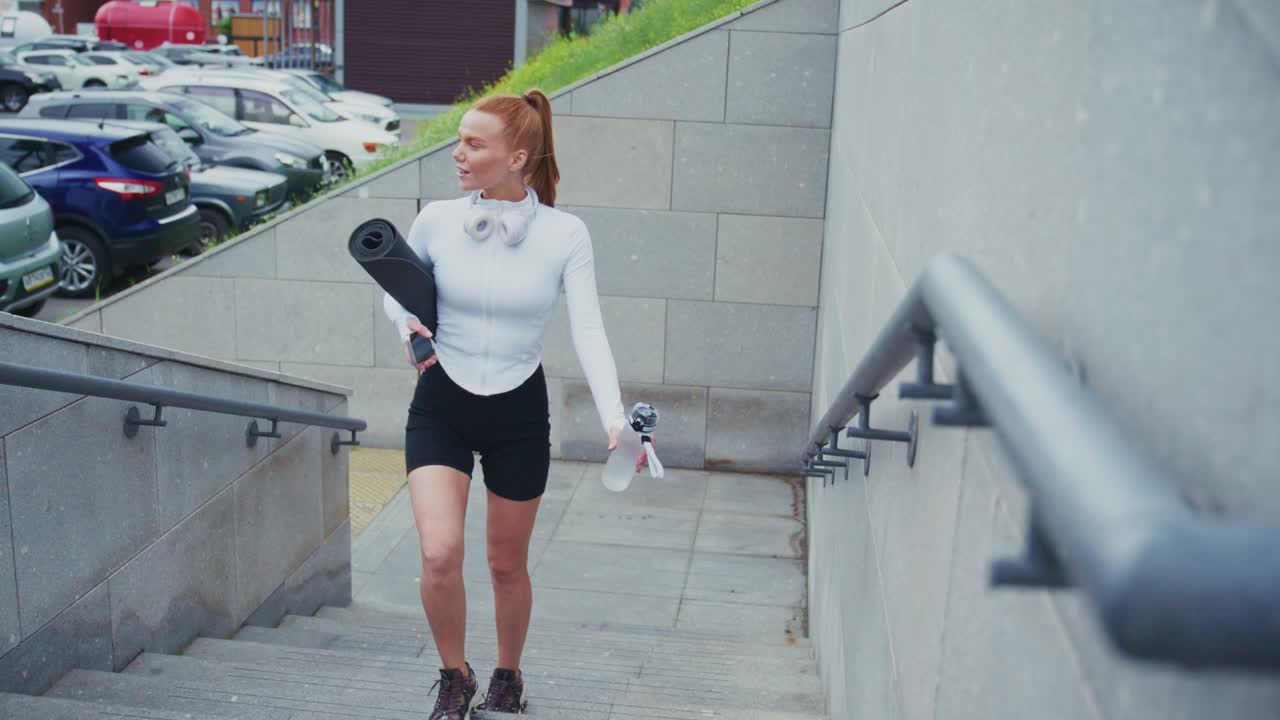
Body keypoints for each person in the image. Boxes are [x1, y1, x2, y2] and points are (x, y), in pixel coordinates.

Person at [381, 88, 643, 719]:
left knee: (505, 564)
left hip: (518, 413)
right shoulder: (436, 219)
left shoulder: (565, 234)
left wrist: (614, 419)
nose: (458, 154)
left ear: (518, 158)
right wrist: (406, 326)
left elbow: (589, 329)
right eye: (459, 141)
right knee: (439, 553)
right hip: (442, 404)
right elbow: (396, 292)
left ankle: (508, 674)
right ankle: (455, 676)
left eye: (474, 144)